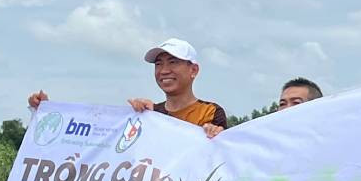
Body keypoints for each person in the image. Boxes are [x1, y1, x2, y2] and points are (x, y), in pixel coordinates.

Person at [27, 38, 228, 137]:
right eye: (158, 64)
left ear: (193, 70)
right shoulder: (146, 114)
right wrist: (46, 113)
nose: (164, 70)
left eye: (173, 62)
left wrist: (214, 134)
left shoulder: (210, 113)